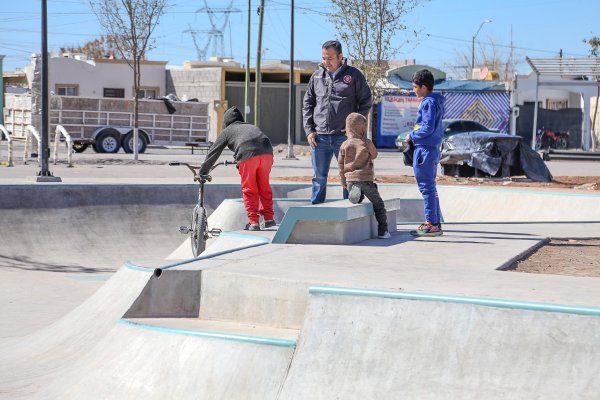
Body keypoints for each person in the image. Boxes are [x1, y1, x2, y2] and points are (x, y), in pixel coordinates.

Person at [303, 40, 373, 204]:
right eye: (323, 58)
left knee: (348, 176)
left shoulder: (354, 75)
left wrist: (354, 128)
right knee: (319, 177)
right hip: (319, 137)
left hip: (345, 138)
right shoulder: (317, 76)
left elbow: (366, 102)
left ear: (340, 56)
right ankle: (316, 209)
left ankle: (348, 209)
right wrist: (309, 130)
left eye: (330, 58)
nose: (326, 62)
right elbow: (308, 103)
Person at [199, 106, 275, 231]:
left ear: (226, 122)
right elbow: (253, 141)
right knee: (264, 186)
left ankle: (254, 222)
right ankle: (269, 218)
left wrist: (203, 171)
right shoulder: (251, 126)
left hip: (248, 155)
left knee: (250, 189)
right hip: (267, 153)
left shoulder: (227, 131)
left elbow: (214, 152)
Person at [338, 112, 390, 239]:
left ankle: (355, 194)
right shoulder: (366, 142)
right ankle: (383, 231)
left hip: (350, 179)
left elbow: (340, 165)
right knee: (379, 204)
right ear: (362, 128)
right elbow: (374, 155)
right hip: (365, 178)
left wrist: (343, 181)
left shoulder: (344, 144)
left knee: (357, 197)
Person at [406, 69, 444, 237]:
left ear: (423, 87)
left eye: (415, 87)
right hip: (429, 149)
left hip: (425, 150)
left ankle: (431, 223)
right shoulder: (434, 101)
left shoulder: (428, 102)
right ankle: (434, 222)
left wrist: (411, 136)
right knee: (430, 187)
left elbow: (427, 128)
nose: (413, 90)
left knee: (426, 187)